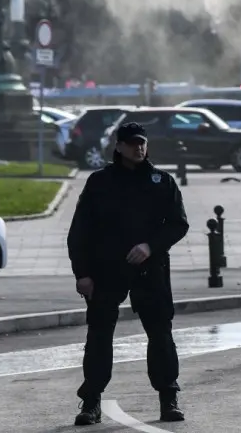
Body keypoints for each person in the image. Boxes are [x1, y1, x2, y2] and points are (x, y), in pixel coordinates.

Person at [67, 121, 190, 425]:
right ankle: (91, 402)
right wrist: (82, 274)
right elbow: (79, 232)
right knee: (98, 336)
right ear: (119, 146)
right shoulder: (100, 182)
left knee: (161, 334)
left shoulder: (161, 181)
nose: (139, 147)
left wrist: (151, 245)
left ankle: (168, 398)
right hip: (106, 269)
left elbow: (178, 223)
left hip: (151, 269)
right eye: (132, 143)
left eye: (143, 142)